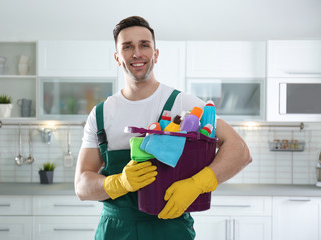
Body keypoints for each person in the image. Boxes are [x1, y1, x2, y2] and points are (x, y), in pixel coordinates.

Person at [75, 16, 252, 240]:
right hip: (115, 230)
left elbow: (240, 151)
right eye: (127, 47)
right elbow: (82, 186)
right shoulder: (100, 114)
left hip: (170, 229)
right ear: (117, 57)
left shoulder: (185, 105)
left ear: (156, 54)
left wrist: (198, 184)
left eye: (144, 45)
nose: (137, 53)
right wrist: (119, 182)